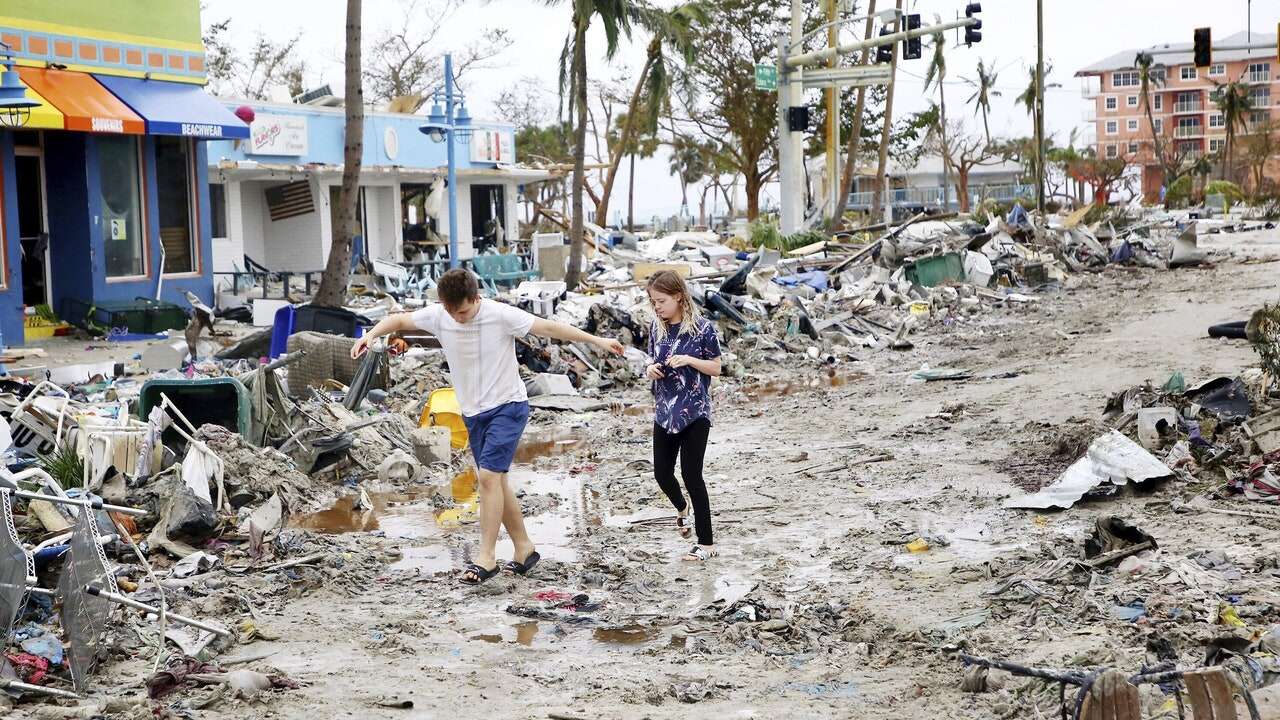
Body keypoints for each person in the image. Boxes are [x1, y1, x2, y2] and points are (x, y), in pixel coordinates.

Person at [352, 269, 624, 584]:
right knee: (496, 482)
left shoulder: (499, 314)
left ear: (476, 298)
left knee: (489, 478)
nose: (458, 318)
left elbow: (549, 326)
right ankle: (524, 548)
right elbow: (398, 320)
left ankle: (486, 557)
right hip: (473, 412)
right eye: (452, 312)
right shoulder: (442, 316)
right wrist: (370, 336)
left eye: (464, 311)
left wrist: (598, 340)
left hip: (508, 407)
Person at [644, 270, 722, 561]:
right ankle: (681, 508)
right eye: (653, 302)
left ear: (678, 296)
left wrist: (689, 359)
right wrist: (650, 369)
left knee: (692, 475)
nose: (657, 307)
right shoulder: (657, 328)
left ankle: (706, 544)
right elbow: (652, 359)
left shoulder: (703, 329)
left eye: (661, 301)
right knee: (661, 473)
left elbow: (716, 368)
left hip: (695, 411)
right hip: (665, 411)